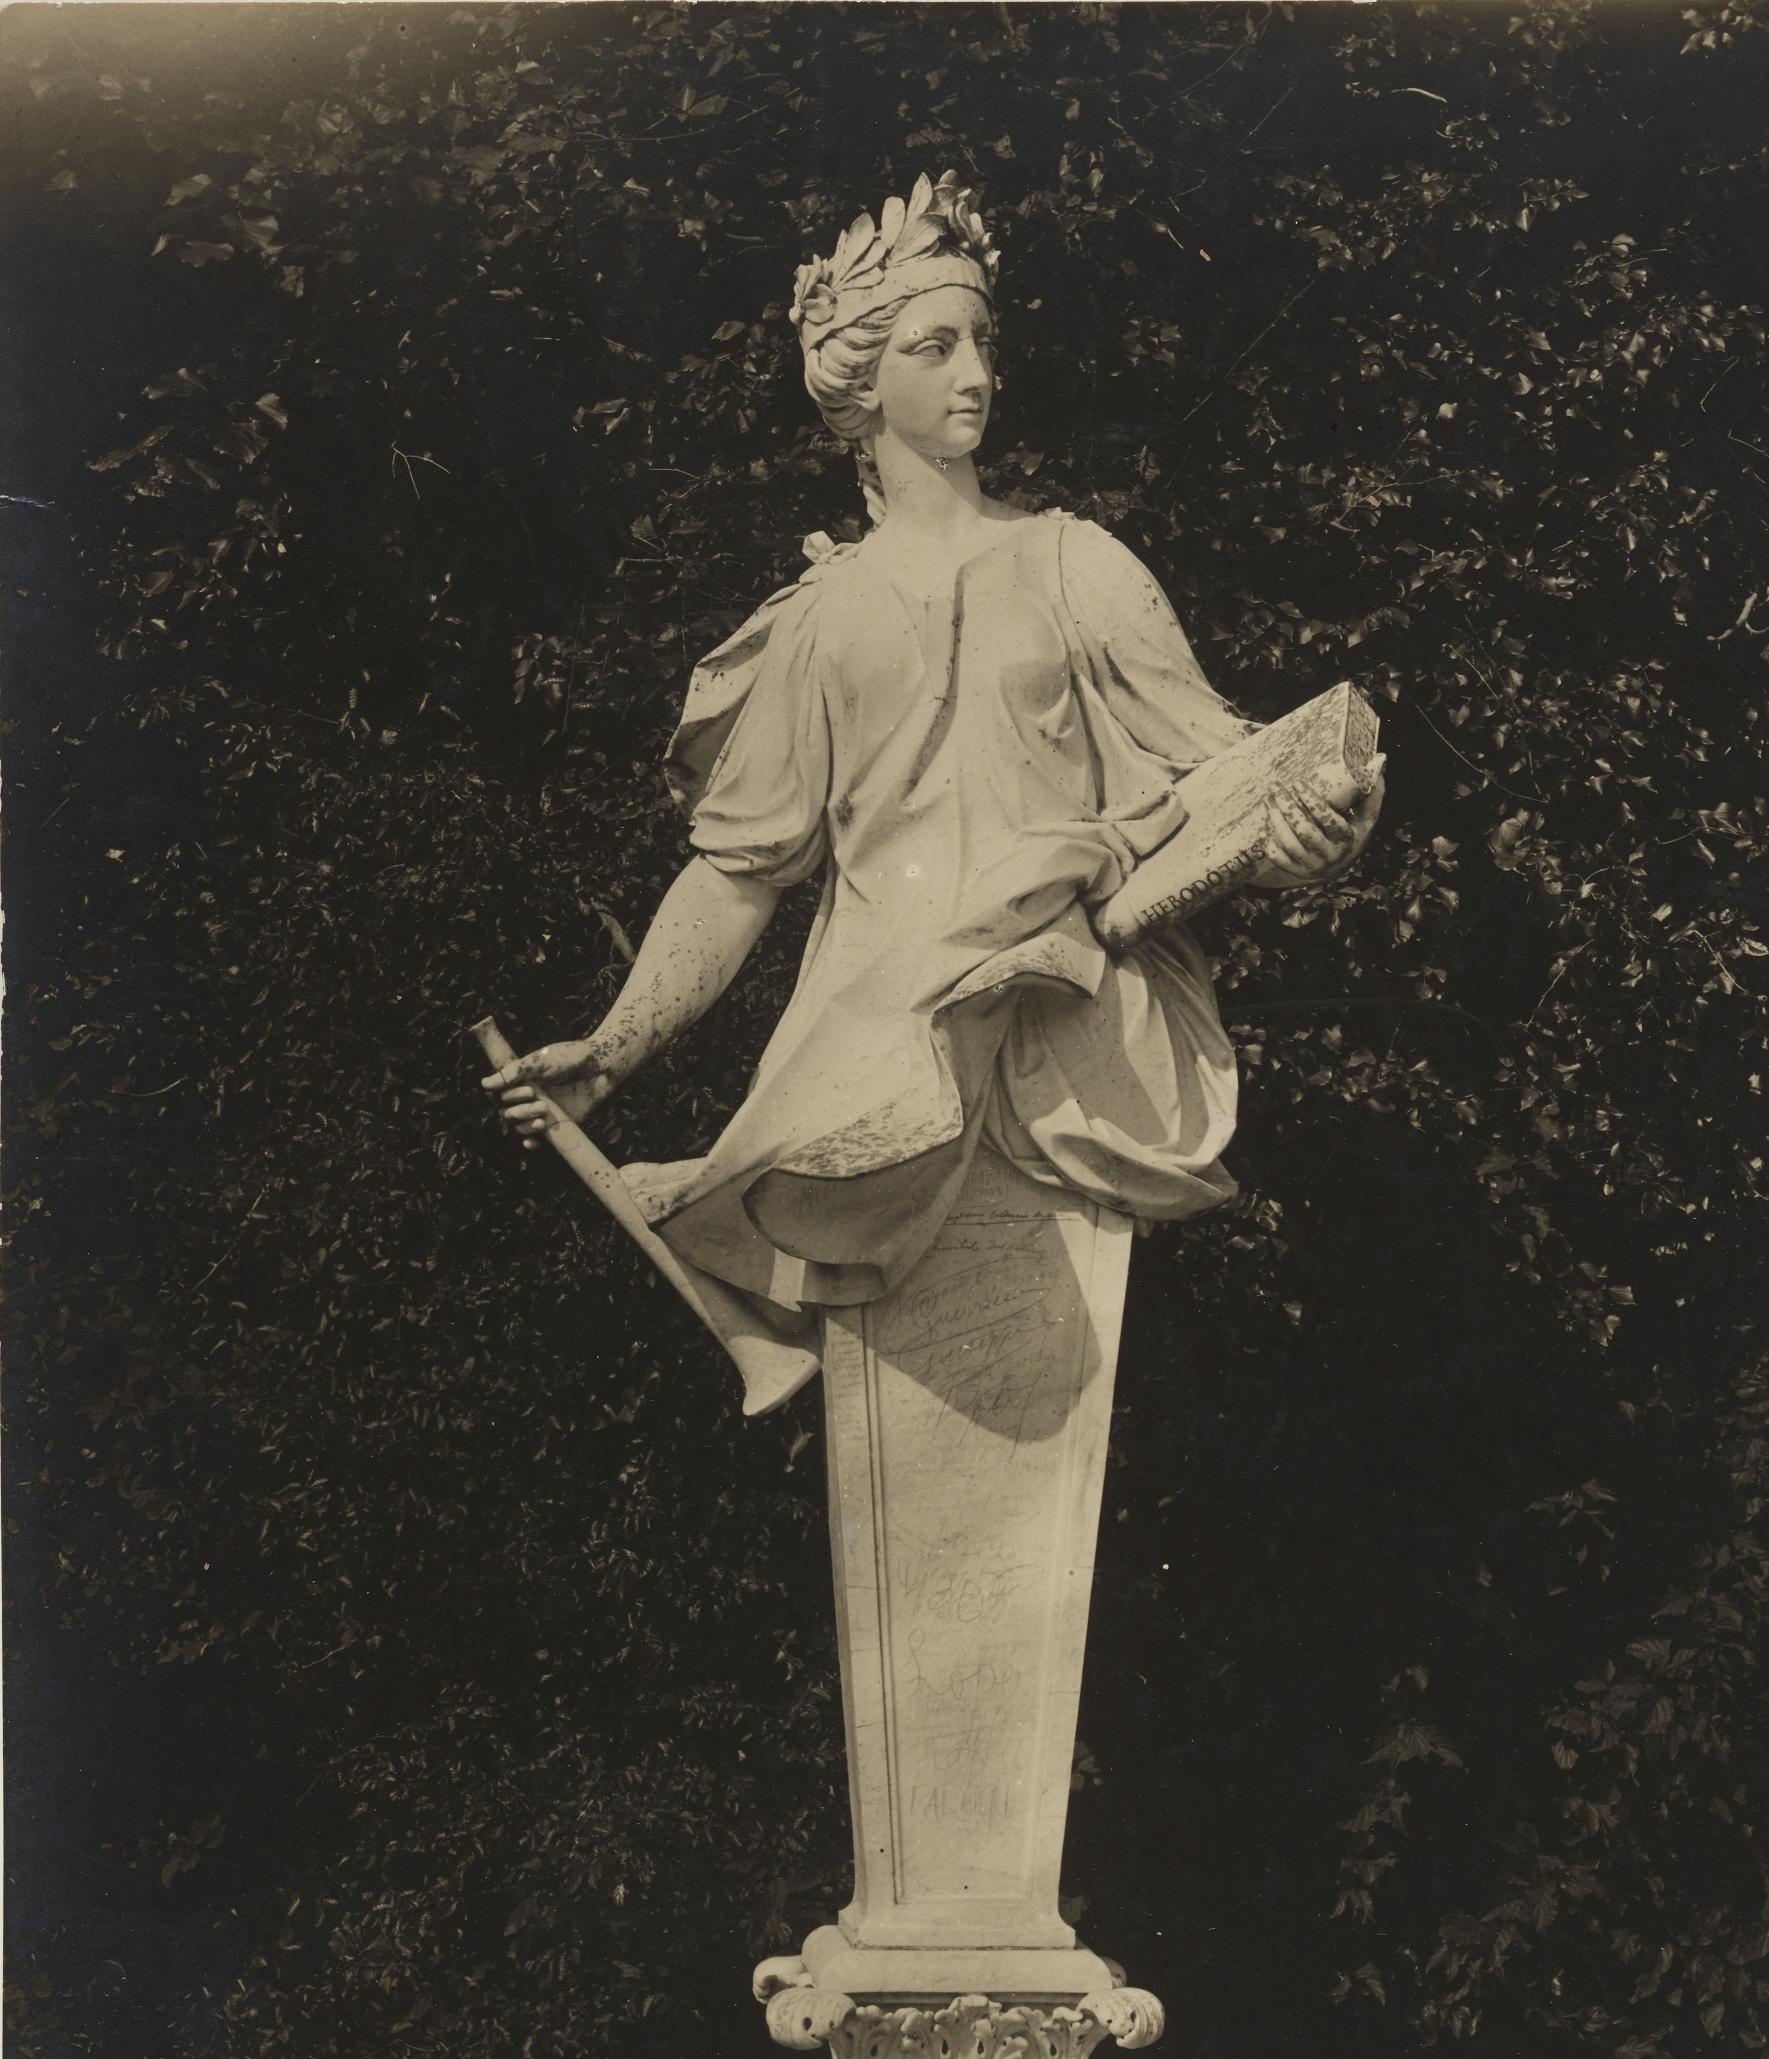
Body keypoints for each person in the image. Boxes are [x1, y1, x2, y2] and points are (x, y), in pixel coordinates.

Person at [484, 171, 1384, 1353]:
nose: (975, 374)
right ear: (860, 381)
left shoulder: (1073, 564)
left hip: (1059, 1047)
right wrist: (612, 1049)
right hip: (868, 1061)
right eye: (935, 346)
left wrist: (1319, 833)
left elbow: (1225, 781)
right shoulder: (816, 623)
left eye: (981, 343)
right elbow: (737, 872)